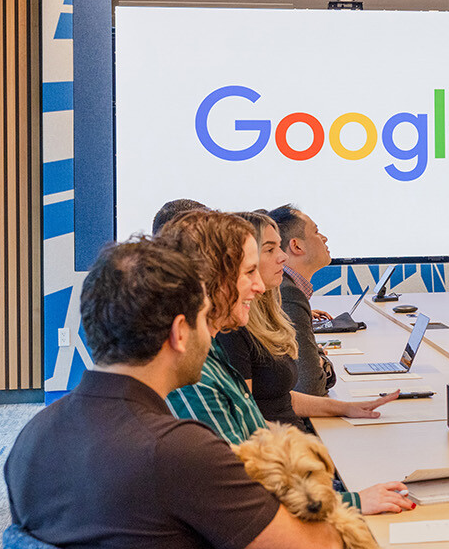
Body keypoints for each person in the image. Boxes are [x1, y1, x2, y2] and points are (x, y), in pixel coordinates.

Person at [5, 238, 343, 549]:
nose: (210, 337)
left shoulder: (31, 438)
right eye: (203, 319)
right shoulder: (179, 450)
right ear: (180, 332)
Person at [158, 210, 412, 517]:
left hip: (290, 491)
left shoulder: (211, 358)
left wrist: (344, 408)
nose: (260, 287)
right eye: (249, 271)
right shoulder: (198, 371)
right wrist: (349, 503)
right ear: (214, 280)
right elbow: (244, 494)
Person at [218, 211, 398, 429]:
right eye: (270, 249)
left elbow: (279, 398)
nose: (282, 258)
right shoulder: (233, 328)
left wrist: (346, 408)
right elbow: (245, 421)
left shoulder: (263, 312)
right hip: (281, 447)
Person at [269, 204, 338, 397]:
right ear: (296, 245)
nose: (324, 238)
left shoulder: (287, 288)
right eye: (316, 232)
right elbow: (309, 387)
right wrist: (323, 361)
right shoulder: (288, 293)